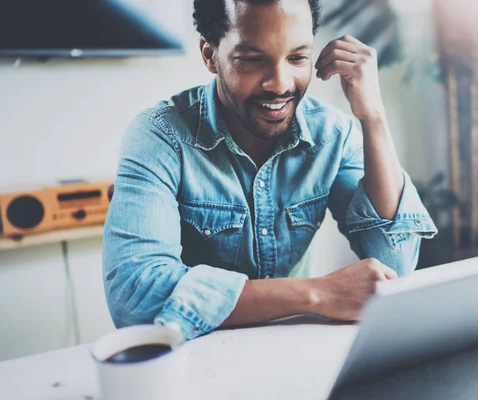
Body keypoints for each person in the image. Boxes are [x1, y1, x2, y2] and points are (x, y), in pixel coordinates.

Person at [103, 0, 437, 340]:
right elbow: (134, 299)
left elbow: (394, 268)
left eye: (297, 57)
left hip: (292, 354)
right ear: (210, 55)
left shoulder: (333, 136)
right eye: (252, 59)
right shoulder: (160, 137)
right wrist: (317, 293)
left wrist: (374, 117)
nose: (280, 84)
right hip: (193, 364)